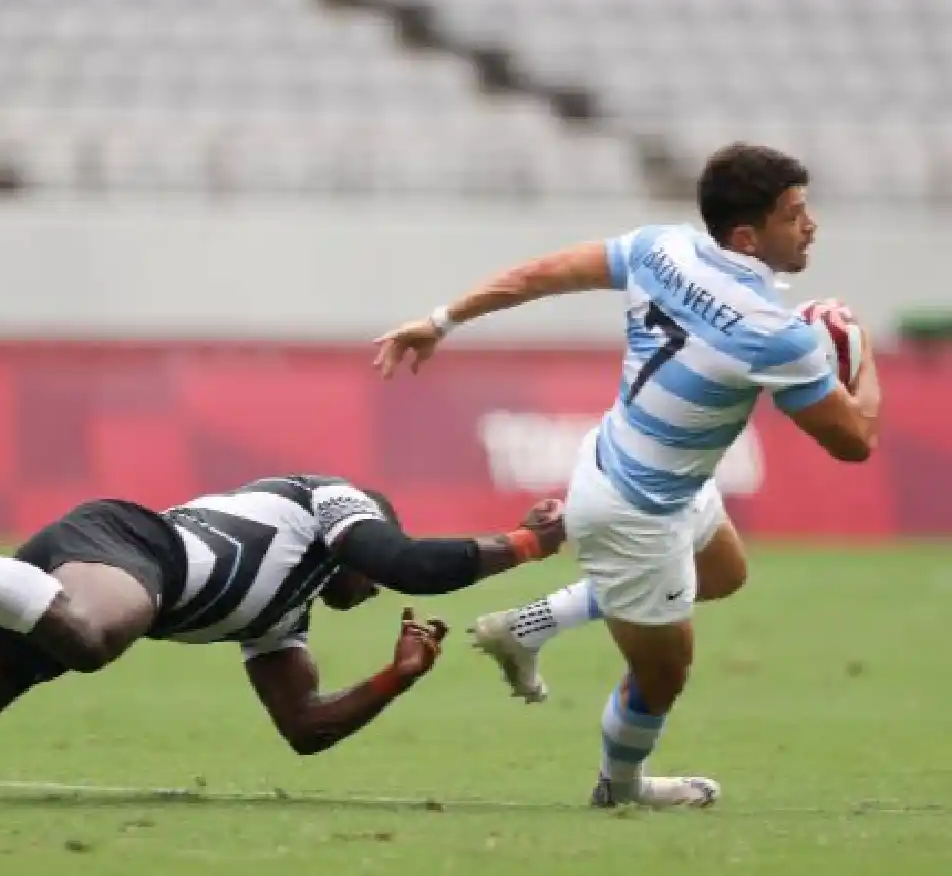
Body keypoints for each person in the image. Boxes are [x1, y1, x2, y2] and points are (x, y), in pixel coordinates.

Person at [372, 143, 882, 808]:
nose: (810, 226)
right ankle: (620, 787)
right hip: (636, 513)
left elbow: (545, 273)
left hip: (633, 466)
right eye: (795, 215)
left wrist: (442, 319)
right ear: (747, 237)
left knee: (725, 574)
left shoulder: (662, 247)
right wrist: (861, 353)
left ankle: (528, 626)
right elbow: (854, 441)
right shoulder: (772, 334)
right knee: (663, 675)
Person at [0, 475, 565, 758]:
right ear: (361, 535)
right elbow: (409, 561)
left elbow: (304, 728)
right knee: (93, 641)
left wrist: (395, 677)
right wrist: (527, 542)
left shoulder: (282, 619)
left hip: (73, 575)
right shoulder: (330, 502)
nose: (381, 588)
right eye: (372, 567)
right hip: (130, 542)